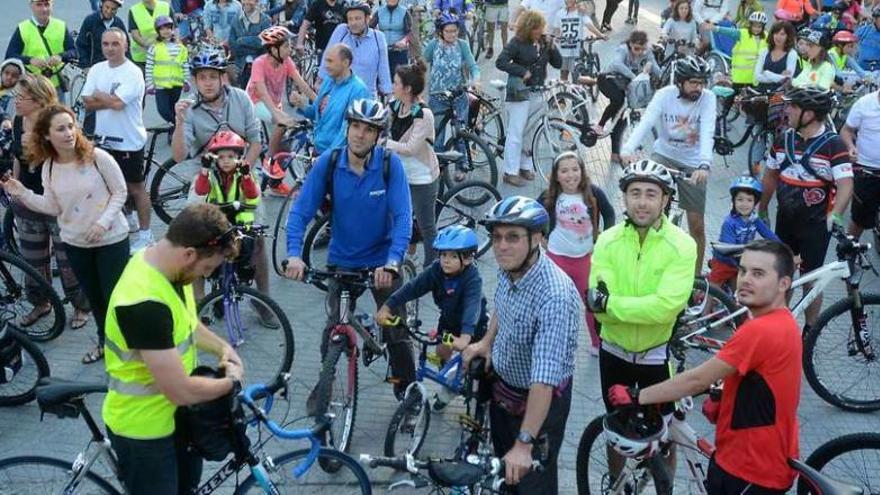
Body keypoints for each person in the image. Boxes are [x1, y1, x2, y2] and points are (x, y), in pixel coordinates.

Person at [607, 240, 801, 494]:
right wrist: (724, 395)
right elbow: (760, 381)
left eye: (758, 274)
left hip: (748, 468)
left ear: (783, 284)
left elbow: (696, 380)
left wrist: (637, 396)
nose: (745, 279)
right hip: (774, 455)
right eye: (742, 271)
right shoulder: (785, 323)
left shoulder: (759, 330)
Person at [102, 202, 245, 495]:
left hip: (176, 419)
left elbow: (187, 324)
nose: (205, 276)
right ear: (189, 254)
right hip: (144, 432)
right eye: (207, 268)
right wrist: (230, 383)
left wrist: (222, 348)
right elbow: (179, 390)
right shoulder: (143, 302)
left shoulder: (164, 265)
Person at [284, 98, 416, 402]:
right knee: (333, 326)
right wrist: (294, 254)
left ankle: (408, 392)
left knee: (396, 328)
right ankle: (326, 379)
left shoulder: (388, 164)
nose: (359, 134)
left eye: (368, 129)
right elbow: (300, 212)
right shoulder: (329, 163)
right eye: (355, 126)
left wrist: (393, 262)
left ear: (378, 135)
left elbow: (402, 219)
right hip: (343, 261)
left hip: (382, 261)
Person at [587, 160, 696, 492]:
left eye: (651, 194)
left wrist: (614, 305)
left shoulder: (682, 245)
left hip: (656, 358)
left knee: (665, 435)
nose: (642, 202)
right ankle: (615, 486)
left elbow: (665, 309)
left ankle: (665, 487)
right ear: (624, 198)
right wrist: (622, 308)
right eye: (635, 193)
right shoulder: (606, 240)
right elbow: (597, 309)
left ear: (665, 200)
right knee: (615, 429)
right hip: (613, 353)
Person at [461, 196, 581, 494]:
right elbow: (504, 305)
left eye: (513, 237)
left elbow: (543, 380)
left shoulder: (555, 296)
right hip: (504, 393)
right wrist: (486, 342)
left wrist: (525, 443)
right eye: (497, 237)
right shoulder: (511, 268)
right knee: (505, 475)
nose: (502, 246)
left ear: (537, 238)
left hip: (539, 407)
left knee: (531, 484)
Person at [2, 104, 129, 364]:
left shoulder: (97, 157)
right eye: (61, 129)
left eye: (71, 126)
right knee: (95, 299)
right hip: (76, 242)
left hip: (111, 239)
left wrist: (104, 222)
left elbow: (120, 192)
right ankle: (106, 343)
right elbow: (52, 207)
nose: (69, 133)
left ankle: (128, 347)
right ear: (47, 135)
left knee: (115, 296)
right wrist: (22, 193)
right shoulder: (49, 167)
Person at [758, 86, 853, 334]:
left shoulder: (834, 145)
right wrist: (762, 209)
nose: (787, 110)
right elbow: (769, 176)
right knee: (783, 275)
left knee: (811, 280)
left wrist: (837, 214)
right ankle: (778, 327)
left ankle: (810, 331)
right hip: (785, 221)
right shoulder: (782, 140)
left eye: (794, 106)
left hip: (816, 225)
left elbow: (845, 184)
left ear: (810, 114)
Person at [7, 74, 91, 332]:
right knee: (33, 259)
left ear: (38, 99)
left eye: (21, 97)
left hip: (58, 202)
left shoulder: (58, 122)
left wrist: (40, 143)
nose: (16, 102)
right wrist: (14, 189)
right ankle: (41, 303)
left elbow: (76, 156)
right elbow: (18, 158)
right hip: (27, 202)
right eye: (15, 96)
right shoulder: (20, 119)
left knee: (68, 260)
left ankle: (80, 306)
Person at [621, 56, 715, 274]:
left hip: (694, 164)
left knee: (697, 224)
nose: (698, 88)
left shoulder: (708, 99)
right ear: (680, 82)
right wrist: (627, 150)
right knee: (646, 207)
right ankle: (637, 259)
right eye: (693, 82)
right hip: (664, 156)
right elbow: (646, 122)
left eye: (701, 83)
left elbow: (708, 130)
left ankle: (695, 277)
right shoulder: (664, 95)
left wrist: (703, 164)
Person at [377, 224, 489, 408]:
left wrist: (465, 337)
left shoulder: (472, 279)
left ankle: (453, 390)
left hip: (473, 326)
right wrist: (387, 306)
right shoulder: (437, 270)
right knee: (441, 352)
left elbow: (472, 308)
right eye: (443, 254)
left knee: (470, 360)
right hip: (448, 320)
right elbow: (413, 287)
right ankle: (450, 382)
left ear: (467, 258)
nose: (446, 260)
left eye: (453, 256)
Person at [191, 131, 277, 328]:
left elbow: (253, 195)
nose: (226, 161)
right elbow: (201, 191)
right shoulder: (210, 173)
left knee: (255, 246)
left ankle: (260, 298)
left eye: (231, 157)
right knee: (195, 248)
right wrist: (204, 171)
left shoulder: (245, 173)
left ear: (239, 157)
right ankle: (198, 300)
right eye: (221, 157)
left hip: (241, 220)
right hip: (216, 219)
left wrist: (246, 175)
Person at [81, 29, 152, 253]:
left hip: (128, 141)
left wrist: (102, 96)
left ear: (126, 46)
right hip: (103, 140)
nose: (110, 48)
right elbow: (87, 102)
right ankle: (126, 219)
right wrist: (109, 99)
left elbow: (118, 104)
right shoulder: (97, 69)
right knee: (109, 186)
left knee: (135, 188)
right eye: (105, 44)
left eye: (115, 44)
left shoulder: (132, 72)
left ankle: (146, 234)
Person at [538, 151, 614, 356]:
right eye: (564, 171)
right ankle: (552, 340)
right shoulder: (549, 196)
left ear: (582, 171)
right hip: (556, 258)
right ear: (556, 176)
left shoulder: (593, 192)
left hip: (584, 259)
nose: (570, 175)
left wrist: (604, 240)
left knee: (592, 303)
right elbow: (533, 215)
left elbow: (609, 213)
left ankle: (597, 342)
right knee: (554, 303)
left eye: (575, 169)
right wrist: (540, 237)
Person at [171, 48, 262, 182]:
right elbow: (179, 157)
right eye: (202, 78)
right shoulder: (189, 107)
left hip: (241, 166)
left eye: (213, 76)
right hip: (204, 173)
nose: (208, 83)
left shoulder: (241, 98)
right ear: (195, 81)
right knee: (196, 202)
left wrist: (241, 174)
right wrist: (179, 123)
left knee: (254, 202)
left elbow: (256, 142)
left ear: (223, 78)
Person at [496, 10, 561, 187]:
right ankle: (510, 171)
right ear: (528, 28)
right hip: (520, 92)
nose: (539, 31)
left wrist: (553, 47)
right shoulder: (517, 42)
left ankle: (525, 165)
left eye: (541, 28)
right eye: (536, 29)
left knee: (530, 130)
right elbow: (500, 61)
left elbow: (558, 64)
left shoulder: (543, 42)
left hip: (537, 91)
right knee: (516, 132)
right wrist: (521, 71)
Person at [386, 61, 440, 267]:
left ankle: (432, 266)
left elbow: (410, 147)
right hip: (400, 173)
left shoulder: (423, 114)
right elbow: (383, 125)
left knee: (427, 225)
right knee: (398, 217)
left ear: (407, 89)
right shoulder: (395, 105)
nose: (393, 86)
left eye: (396, 83)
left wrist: (385, 143)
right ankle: (402, 256)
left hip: (422, 176)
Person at [424, 13, 480, 181]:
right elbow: (422, 63)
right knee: (438, 135)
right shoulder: (433, 46)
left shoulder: (462, 45)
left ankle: (461, 165)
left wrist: (476, 79)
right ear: (440, 32)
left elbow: (472, 65)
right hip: (437, 97)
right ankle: (437, 166)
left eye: (454, 31)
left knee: (460, 132)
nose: (452, 35)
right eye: (448, 31)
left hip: (458, 96)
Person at [592, 31, 661, 168]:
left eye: (642, 49)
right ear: (630, 45)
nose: (639, 52)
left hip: (625, 85)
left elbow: (657, 71)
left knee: (619, 118)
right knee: (618, 101)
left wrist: (651, 66)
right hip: (607, 79)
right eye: (636, 49)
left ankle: (615, 153)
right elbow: (617, 64)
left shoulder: (647, 53)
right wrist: (633, 76)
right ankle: (599, 125)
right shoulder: (623, 49)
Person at [289, 44, 370, 154]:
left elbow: (348, 130)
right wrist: (302, 105)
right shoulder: (329, 80)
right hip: (319, 148)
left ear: (345, 63)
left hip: (336, 156)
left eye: (330, 61)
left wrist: (329, 156)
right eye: (326, 61)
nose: (326, 65)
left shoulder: (358, 90)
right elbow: (317, 114)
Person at [708, 176, 779, 289]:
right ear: (734, 201)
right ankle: (706, 305)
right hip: (724, 261)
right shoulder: (729, 223)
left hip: (740, 261)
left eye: (749, 200)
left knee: (740, 294)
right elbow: (730, 249)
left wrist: (784, 249)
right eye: (740, 199)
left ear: (755, 203)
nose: (744, 204)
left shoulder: (754, 219)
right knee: (714, 289)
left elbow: (768, 234)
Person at [5, 0, 77, 99]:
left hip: (55, 86)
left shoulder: (61, 26)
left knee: (58, 114)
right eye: (39, 4)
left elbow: (74, 51)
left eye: (47, 4)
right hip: (31, 87)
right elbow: (10, 56)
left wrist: (61, 56)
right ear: (31, 6)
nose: (43, 9)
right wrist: (30, 60)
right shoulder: (23, 28)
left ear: (52, 5)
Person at [319, 1, 392, 97]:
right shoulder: (342, 31)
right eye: (350, 19)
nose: (353, 23)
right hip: (338, 96)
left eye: (357, 18)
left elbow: (384, 72)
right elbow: (326, 60)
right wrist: (320, 85)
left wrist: (390, 98)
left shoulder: (378, 38)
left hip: (365, 99)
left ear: (367, 19)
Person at [247, 25, 314, 128]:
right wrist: (276, 113)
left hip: (275, 103)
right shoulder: (259, 63)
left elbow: (302, 84)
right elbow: (262, 93)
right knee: (281, 124)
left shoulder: (286, 61)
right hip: (256, 102)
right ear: (274, 50)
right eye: (286, 46)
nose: (290, 49)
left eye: (290, 46)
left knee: (282, 133)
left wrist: (318, 101)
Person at [841, 88, 880, 241]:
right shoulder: (864, 104)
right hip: (866, 170)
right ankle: (849, 250)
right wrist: (851, 147)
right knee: (859, 219)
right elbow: (846, 130)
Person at [146, 16, 191, 126]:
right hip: (161, 85)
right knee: (163, 110)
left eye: (168, 28)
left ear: (172, 29)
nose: (165, 31)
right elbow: (149, 67)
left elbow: (184, 65)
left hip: (177, 84)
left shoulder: (180, 48)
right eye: (162, 29)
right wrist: (149, 84)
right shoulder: (154, 48)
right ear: (158, 31)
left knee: (173, 108)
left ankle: (174, 132)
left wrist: (186, 80)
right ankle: (179, 124)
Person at [554, 0, 606, 82]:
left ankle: (585, 86)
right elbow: (557, 28)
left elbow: (589, 25)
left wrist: (600, 35)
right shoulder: (559, 13)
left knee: (576, 74)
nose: (567, 1)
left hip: (577, 47)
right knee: (563, 74)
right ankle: (564, 93)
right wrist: (557, 36)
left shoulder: (581, 12)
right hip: (564, 48)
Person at [229, 0, 272, 88]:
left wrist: (241, 40)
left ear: (256, 2)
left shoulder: (265, 20)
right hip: (241, 67)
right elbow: (233, 46)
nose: (247, 2)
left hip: (259, 67)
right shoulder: (235, 19)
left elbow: (263, 43)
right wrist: (254, 45)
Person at [76, 0, 128, 70]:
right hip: (93, 67)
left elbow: (126, 47)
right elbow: (80, 45)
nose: (109, 11)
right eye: (107, 7)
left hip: (114, 68)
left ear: (117, 9)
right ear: (101, 5)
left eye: (113, 9)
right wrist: (85, 66)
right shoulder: (90, 21)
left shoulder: (119, 23)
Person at [371, 0, 414, 80]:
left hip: (399, 52)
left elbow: (410, 33)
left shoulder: (404, 12)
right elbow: (370, 29)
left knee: (400, 79)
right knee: (382, 80)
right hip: (382, 51)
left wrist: (404, 41)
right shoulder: (379, 12)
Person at [128, 0, 174, 72]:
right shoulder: (134, 10)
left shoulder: (166, 7)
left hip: (164, 56)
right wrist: (150, 47)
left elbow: (175, 30)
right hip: (142, 59)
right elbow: (135, 35)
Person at [755, 21, 798, 91]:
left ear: (788, 36)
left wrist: (767, 73)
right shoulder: (764, 51)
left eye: (782, 34)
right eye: (776, 33)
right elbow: (757, 76)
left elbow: (787, 79)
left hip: (779, 94)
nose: (778, 37)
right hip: (761, 93)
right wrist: (779, 77)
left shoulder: (792, 53)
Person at [0, 60, 25, 129]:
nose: (9, 77)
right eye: (6, 73)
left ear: (19, 79)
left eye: (14, 76)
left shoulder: (19, 98)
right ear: (1, 72)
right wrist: (4, 118)